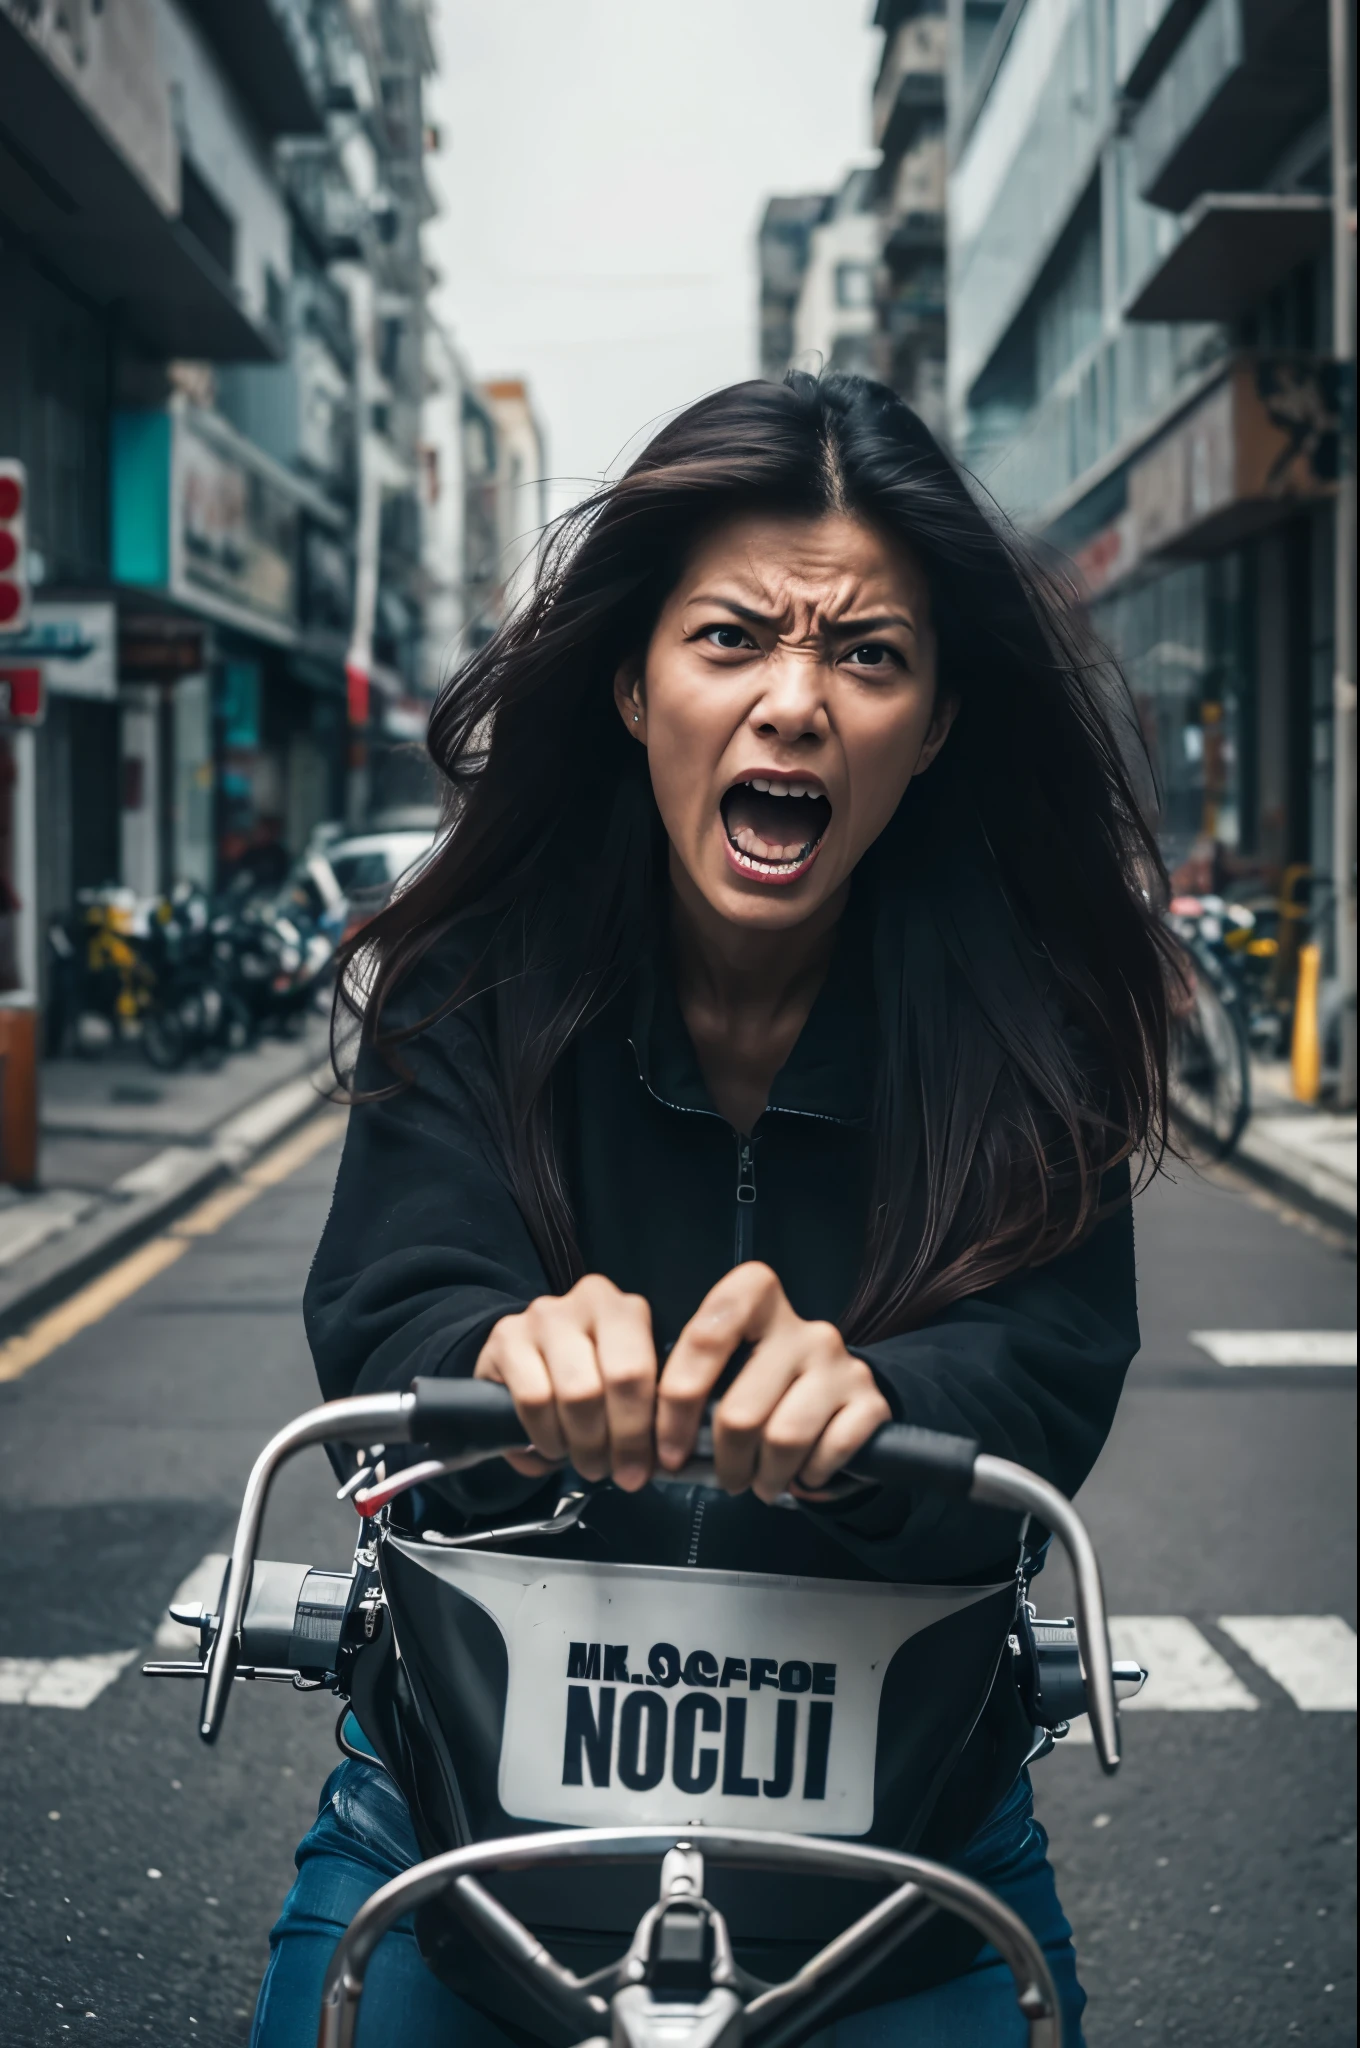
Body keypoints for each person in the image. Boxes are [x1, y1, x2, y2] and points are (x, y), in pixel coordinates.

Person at [250, 371, 1172, 2047]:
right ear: (630, 680)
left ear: (940, 722)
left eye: (868, 655)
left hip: (910, 1858)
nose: (797, 702)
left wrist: (880, 1404)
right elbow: (394, 1304)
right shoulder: (468, 986)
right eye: (734, 637)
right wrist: (506, 1354)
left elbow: (1046, 1358)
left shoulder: (1029, 1027)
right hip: (456, 1841)